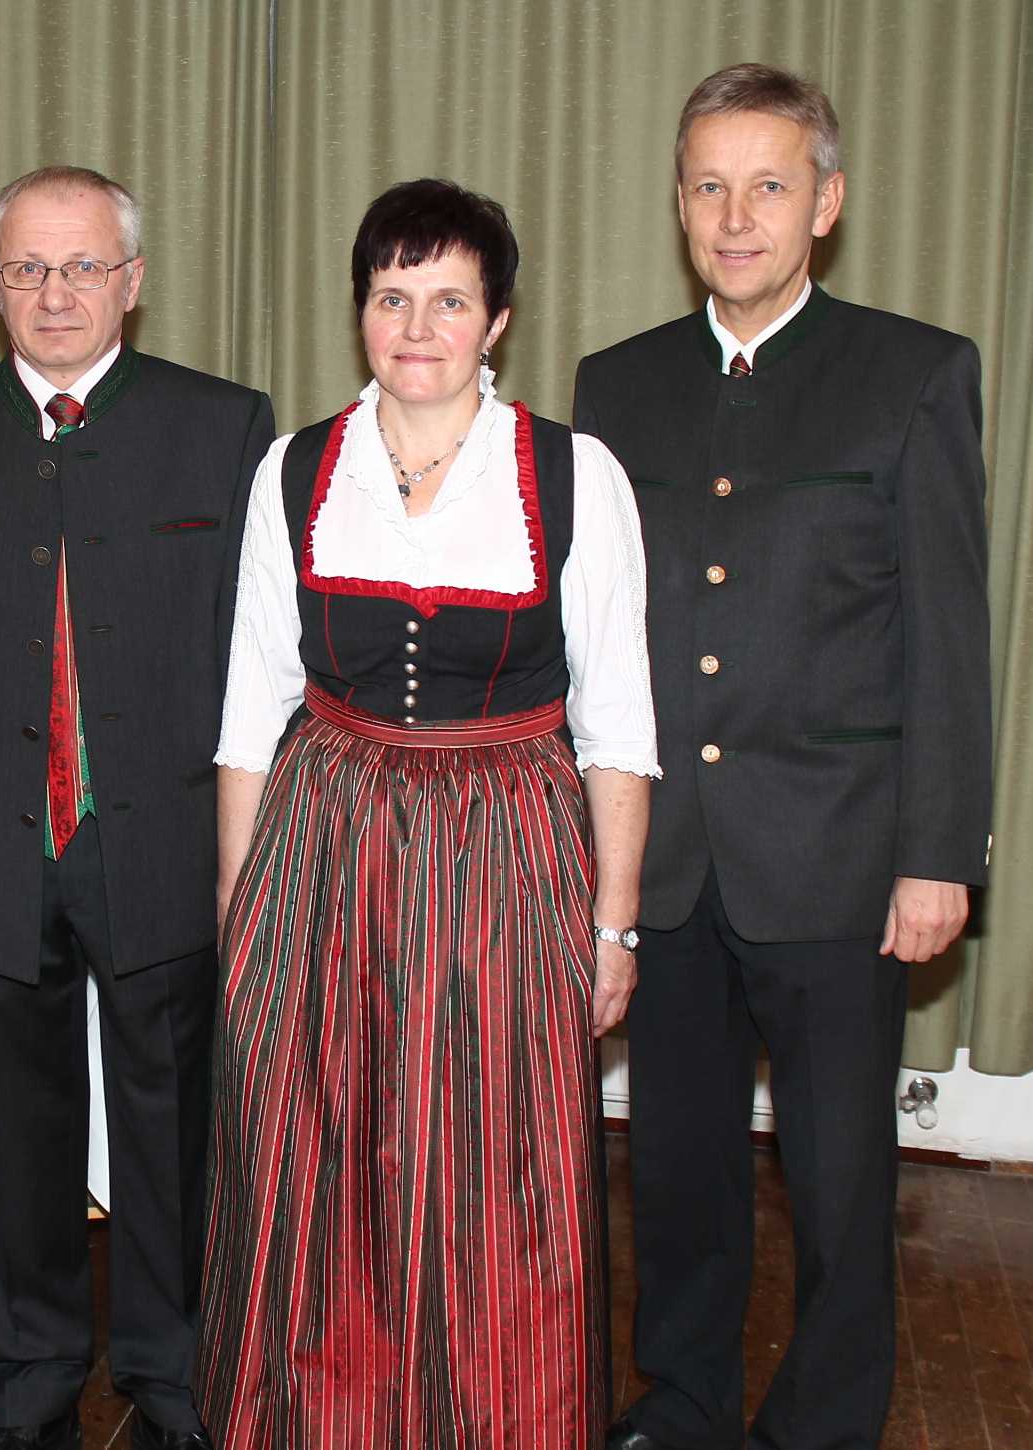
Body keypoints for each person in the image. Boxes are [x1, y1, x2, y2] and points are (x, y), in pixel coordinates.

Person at [194, 178, 659, 1448]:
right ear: (360, 312)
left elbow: (620, 721)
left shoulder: (574, 474)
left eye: (448, 298)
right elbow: (249, 709)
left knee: (488, 1166)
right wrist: (241, 916)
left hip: (507, 847)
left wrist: (613, 929)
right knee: (321, 1155)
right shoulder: (293, 469)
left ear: (497, 319)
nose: (418, 324)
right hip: (323, 840)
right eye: (393, 296)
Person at [574, 63, 991, 1450]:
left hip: (841, 864)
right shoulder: (616, 386)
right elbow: (606, 635)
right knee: (679, 1172)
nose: (735, 215)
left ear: (828, 202)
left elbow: (946, 631)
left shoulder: (913, 371)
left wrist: (941, 853)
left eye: (767, 185)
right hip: (674, 861)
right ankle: (680, 1403)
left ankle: (822, 1421)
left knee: (837, 1180)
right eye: (709, 185)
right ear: (680, 203)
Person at [0, 165, 274, 1450]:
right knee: (22, 1154)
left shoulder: (223, 428)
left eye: (83, 266)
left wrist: (246, 866)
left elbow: (259, 668)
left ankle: (172, 1383)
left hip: (163, 859)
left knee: (172, 1146)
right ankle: (33, 1382)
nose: (55, 293)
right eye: (27, 270)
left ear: (134, 282)